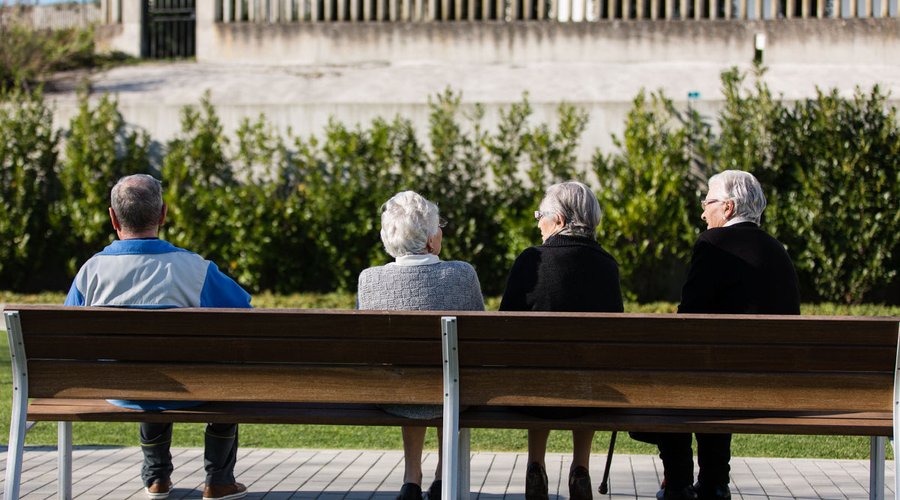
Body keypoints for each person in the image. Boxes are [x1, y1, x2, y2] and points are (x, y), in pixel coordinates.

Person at [64, 174, 252, 500]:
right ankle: (219, 480)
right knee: (223, 377)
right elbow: (244, 312)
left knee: (144, 371)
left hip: (121, 389)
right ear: (163, 214)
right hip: (193, 389)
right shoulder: (195, 268)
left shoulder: (90, 273)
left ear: (112, 217)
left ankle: (156, 479)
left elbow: (68, 339)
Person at [631, 170, 800, 500]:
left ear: (728, 207)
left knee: (681, 375)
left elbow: (688, 318)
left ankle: (678, 482)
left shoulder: (713, 244)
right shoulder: (777, 250)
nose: (702, 211)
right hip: (775, 383)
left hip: (726, 379)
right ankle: (714, 482)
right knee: (716, 370)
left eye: (707, 202)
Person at [499, 181, 624, 500]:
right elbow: (613, 338)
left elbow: (505, 325)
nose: (537, 222)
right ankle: (580, 469)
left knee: (540, 370)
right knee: (587, 373)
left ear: (559, 221)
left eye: (540, 214)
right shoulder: (607, 265)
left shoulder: (531, 260)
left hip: (534, 394)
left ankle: (535, 465)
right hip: (589, 396)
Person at [357, 191, 485, 500]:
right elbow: (479, 343)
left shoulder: (369, 280)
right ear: (429, 240)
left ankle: (411, 479)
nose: (441, 230)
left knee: (409, 373)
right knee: (448, 374)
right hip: (454, 392)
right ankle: (443, 476)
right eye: (438, 225)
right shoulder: (461, 275)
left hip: (392, 394)